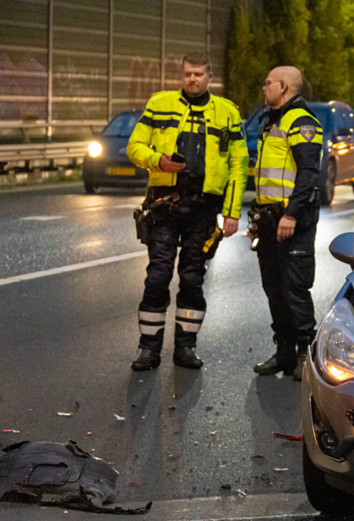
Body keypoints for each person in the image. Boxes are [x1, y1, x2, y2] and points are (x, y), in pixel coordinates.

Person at [126, 52, 248, 371]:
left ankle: (186, 348)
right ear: (182, 76)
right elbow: (134, 147)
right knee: (157, 277)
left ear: (210, 77)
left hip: (203, 209)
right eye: (187, 74)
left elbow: (238, 164)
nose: (192, 79)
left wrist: (232, 213)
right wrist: (158, 161)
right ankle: (148, 349)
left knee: (193, 279)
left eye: (198, 74)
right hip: (164, 206)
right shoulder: (160, 104)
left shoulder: (227, 112)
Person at [250, 66, 323, 380]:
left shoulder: (302, 122)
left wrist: (291, 214)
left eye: (268, 83)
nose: (264, 88)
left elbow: (308, 173)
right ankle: (283, 353)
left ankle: (305, 356)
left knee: (295, 288)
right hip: (269, 219)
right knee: (274, 288)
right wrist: (256, 217)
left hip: (293, 221)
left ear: (283, 87)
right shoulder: (273, 120)